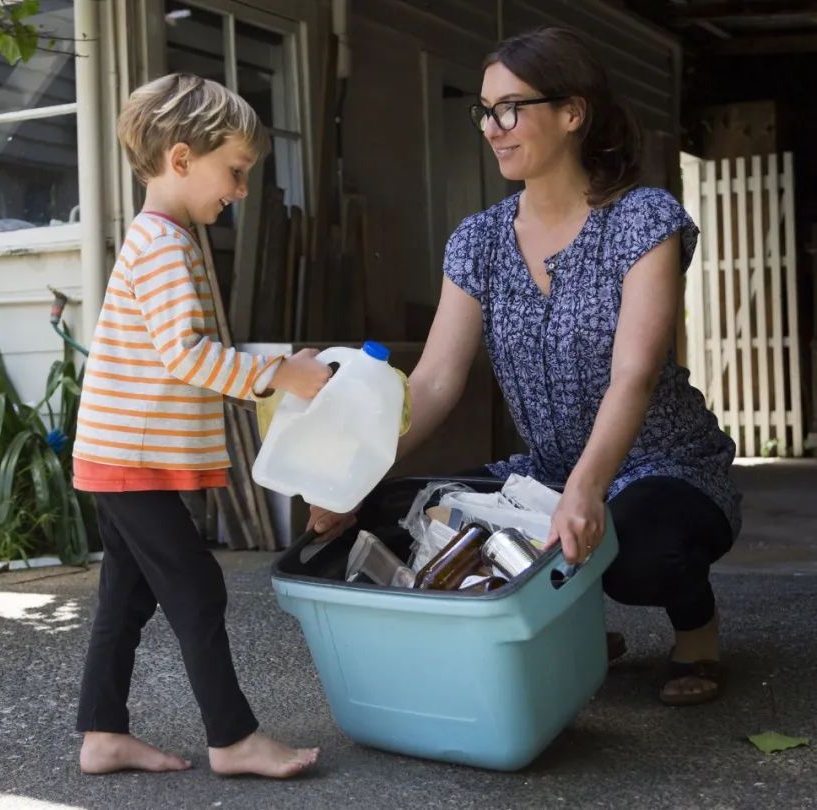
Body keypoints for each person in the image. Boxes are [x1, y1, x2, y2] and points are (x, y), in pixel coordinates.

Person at [308, 27, 741, 707]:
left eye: (510, 107)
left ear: (573, 113)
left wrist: (587, 489)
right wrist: (351, 475)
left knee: (635, 551)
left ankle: (696, 627)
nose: (492, 127)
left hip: (663, 465)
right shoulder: (479, 239)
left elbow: (634, 372)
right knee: (396, 510)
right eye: (484, 110)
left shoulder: (642, 220)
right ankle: (569, 631)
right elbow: (437, 380)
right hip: (545, 469)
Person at [72, 73, 329, 777]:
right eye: (236, 172)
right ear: (182, 159)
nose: (241, 190)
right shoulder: (162, 245)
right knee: (195, 589)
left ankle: (101, 733)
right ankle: (234, 737)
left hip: (120, 455)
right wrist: (277, 375)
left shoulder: (167, 237)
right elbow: (183, 353)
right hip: (129, 459)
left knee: (126, 594)